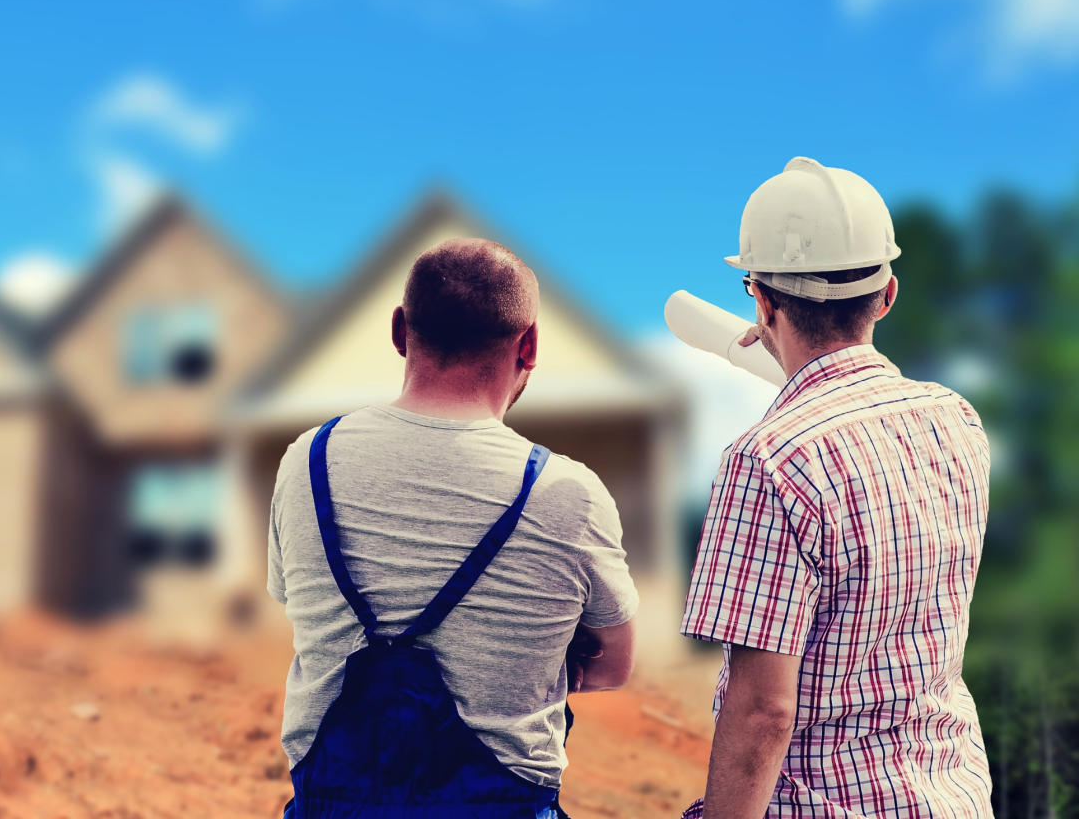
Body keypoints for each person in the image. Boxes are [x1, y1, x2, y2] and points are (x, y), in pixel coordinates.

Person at [267, 237, 639, 818]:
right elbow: (613, 667)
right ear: (531, 345)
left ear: (399, 331)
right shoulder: (569, 494)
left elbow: (293, 600)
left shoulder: (305, 463)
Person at [680, 158, 993, 818]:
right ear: (886, 295)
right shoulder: (956, 421)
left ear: (761, 300)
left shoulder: (768, 461)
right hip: (951, 796)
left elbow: (763, 712)